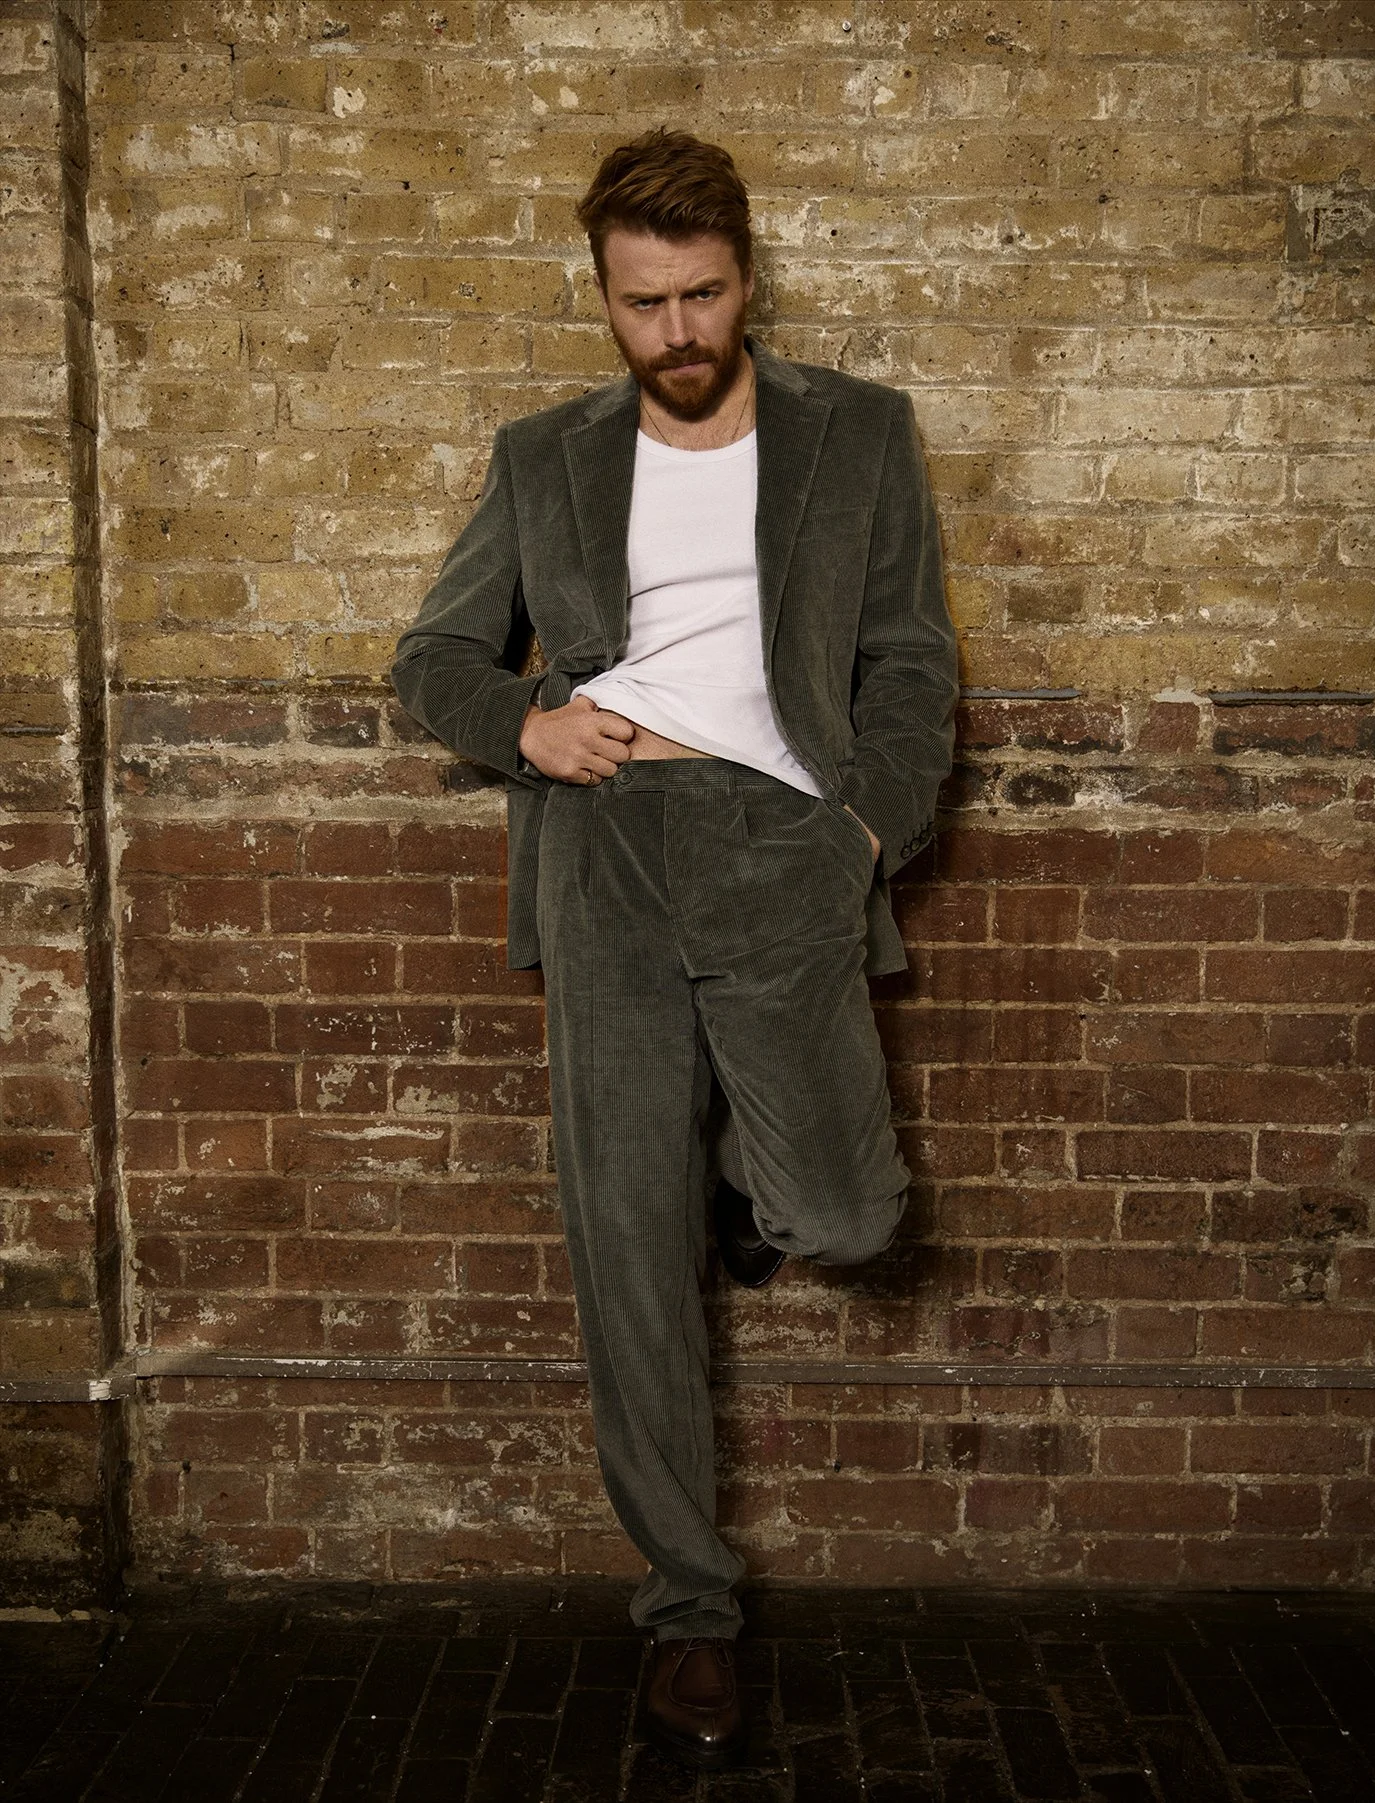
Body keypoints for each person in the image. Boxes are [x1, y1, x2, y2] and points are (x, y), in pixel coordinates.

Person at [391, 127, 957, 1772]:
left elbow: (910, 660)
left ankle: (741, 1177)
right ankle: (687, 1609)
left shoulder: (859, 434)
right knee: (622, 1248)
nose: (678, 333)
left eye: (704, 294)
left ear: (749, 276)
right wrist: (526, 727)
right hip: (608, 843)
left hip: (785, 846)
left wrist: (862, 828)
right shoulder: (543, 455)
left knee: (849, 1212)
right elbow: (430, 654)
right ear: (604, 295)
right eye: (643, 304)